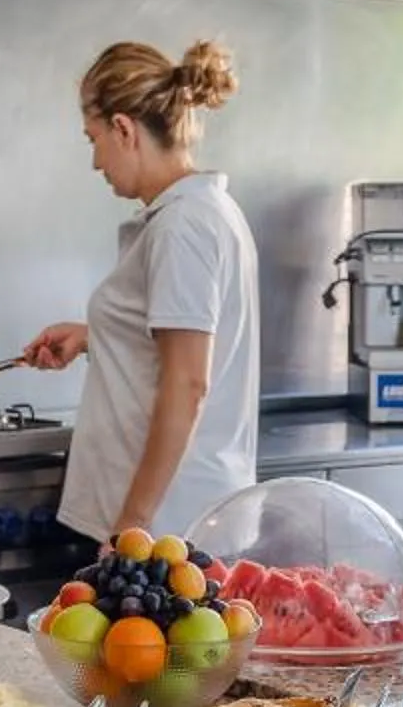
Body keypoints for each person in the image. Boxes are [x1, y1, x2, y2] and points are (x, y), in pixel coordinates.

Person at [20, 38, 260, 556]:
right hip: (175, 524)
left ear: (124, 128)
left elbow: (188, 381)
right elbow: (180, 345)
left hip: (167, 531)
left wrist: (130, 526)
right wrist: (95, 336)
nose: (95, 162)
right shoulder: (204, 214)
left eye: (93, 138)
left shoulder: (183, 228)